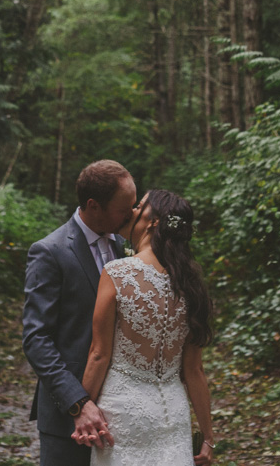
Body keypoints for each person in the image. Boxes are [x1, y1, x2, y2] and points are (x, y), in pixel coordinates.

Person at [73, 189, 218, 466]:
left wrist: (81, 409)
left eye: (139, 205)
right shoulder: (191, 285)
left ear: (153, 221)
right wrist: (208, 437)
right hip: (173, 415)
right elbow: (194, 370)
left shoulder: (118, 273)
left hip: (124, 412)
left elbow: (99, 354)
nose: (132, 211)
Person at [24, 160, 138, 466]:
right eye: (125, 208)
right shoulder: (50, 252)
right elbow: (36, 340)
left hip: (122, 409)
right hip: (69, 418)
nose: (133, 214)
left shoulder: (128, 247)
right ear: (93, 205)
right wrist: (78, 402)